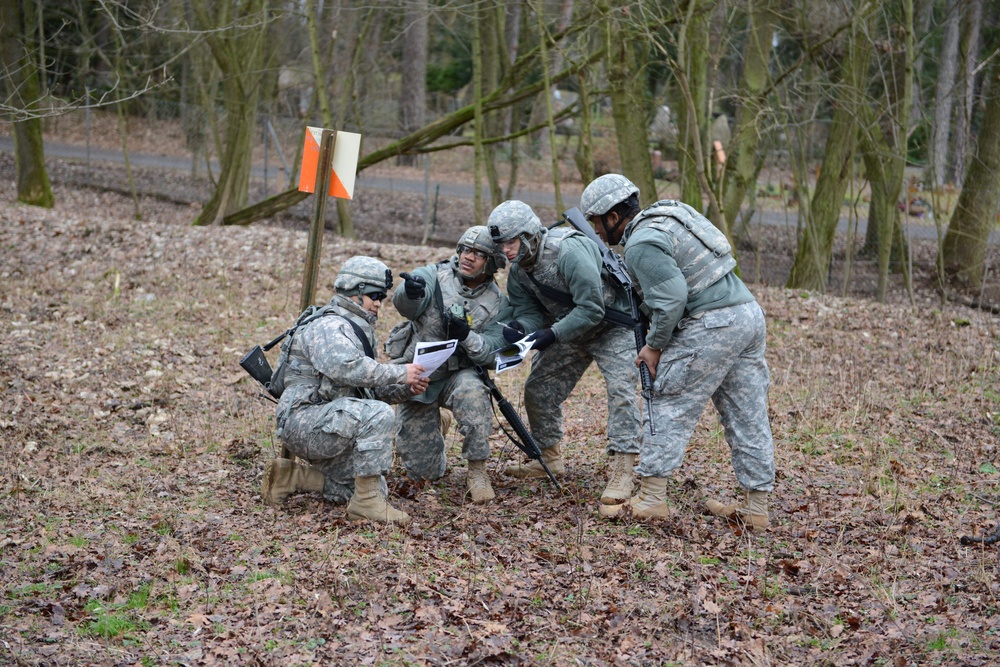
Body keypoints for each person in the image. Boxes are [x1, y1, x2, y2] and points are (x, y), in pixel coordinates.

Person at [578, 174, 775, 527]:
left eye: (595, 221)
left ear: (612, 217)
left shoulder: (641, 242)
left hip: (712, 323)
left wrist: (654, 347)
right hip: (746, 315)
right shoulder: (670, 214)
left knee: (666, 397)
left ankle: (652, 497)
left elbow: (670, 300)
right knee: (747, 412)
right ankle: (756, 507)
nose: (595, 230)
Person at [487, 200, 642, 511]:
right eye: (501, 244)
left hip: (613, 327)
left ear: (530, 235)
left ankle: (624, 471)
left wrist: (552, 334)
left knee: (622, 391)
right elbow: (530, 311)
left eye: (512, 241)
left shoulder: (568, 251)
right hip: (569, 331)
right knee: (538, 388)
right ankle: (550, 456)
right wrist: (521, 326)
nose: (507, 250)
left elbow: (592, 309)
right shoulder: (519, 272)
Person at [260, 256, 430, 525]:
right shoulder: (329, 325)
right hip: (304, 421)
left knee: (366, 485)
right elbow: (346, 368)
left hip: (328, 423)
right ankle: (367, 504)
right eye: (374, 295)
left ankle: (292, 476)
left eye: (382, 297)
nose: (378, 303)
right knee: (378, 415)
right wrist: (401, 371)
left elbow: (364, 391)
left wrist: (407, 388)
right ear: (355, 291)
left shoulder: (352, 328)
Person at [390, 226, 512, 504]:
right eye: (465, 249)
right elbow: (405, 304)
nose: (469, 257)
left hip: (459, 375)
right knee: (425, 473)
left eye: (479, 254)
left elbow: (494, 354)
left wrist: (466, 337)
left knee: (473, 390)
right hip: (419, 374)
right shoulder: (433, 276)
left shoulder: (498, 304)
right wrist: (410, 292)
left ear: (491, 263)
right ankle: (438, 421)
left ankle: (478, 472)